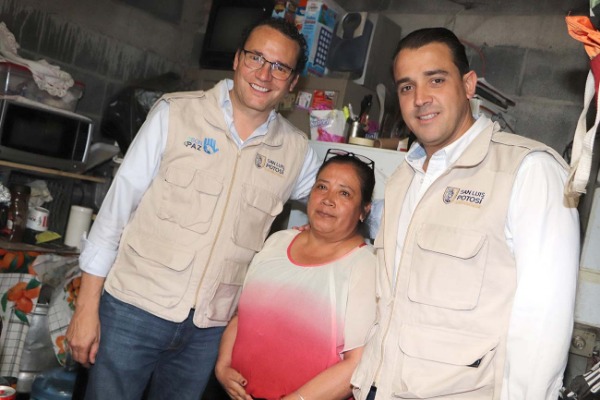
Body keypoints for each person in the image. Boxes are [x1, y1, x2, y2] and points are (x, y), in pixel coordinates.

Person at [65, 17, 322, 400]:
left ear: (293, 82)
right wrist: (86, 307)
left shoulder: (296, 152)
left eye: (280, 67)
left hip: (209, 330)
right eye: (256, 57)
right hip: (134, 309)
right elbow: (116, 209)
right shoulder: (175, 113)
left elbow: (332, 209)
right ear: (237, 59)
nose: (264, 74)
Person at [351, 27, 580, 400]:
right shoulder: (402, 180)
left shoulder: (529, 170)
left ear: (469, 85)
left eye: (436, 80)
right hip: (381, 387)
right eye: (407, 87)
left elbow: (543, 322)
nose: (420, 99)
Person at [215, 149, 377, 400]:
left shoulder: (365, 266)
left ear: (363, 211)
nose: (328, 199)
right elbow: (241, 317)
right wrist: (223, 366)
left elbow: (357, 364)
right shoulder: (277, 242)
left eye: (344, 193)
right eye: (322, 187)